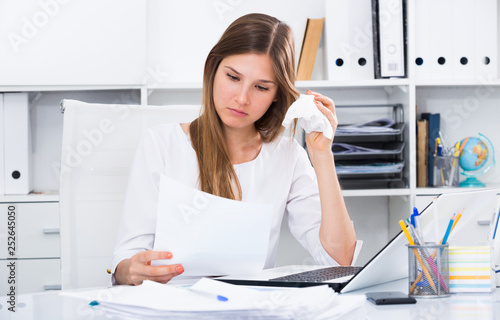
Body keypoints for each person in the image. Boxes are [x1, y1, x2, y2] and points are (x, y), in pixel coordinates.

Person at [112, 13, 359, 286]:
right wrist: (129, 270)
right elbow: (126, 260)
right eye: (233, 77)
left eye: (261, 87)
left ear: (277, 94)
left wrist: (323, 155)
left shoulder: (287, 156)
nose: (242, 99)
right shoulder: (160, 145)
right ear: (213, 70)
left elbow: (340, 259)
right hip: (172, 306)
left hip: (251, 308)